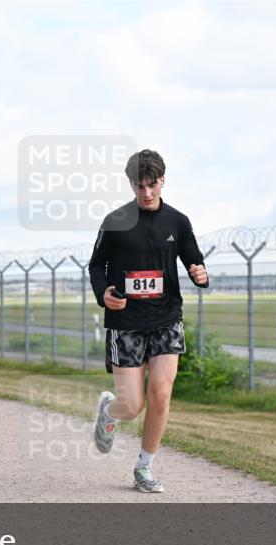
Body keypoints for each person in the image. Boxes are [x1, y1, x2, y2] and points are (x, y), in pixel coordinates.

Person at [88, 149, 208, 493]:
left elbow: (193, 260)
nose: (146, 193)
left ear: (162, 181)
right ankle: (110, 410)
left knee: (160, 392)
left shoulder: (178, 222)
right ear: (130, 185)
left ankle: (144, 466)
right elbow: (96, 266)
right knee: (132, 404)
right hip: (125, 321)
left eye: (152, 185)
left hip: (167, 318)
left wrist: (200, 274)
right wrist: (104, 294)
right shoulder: (116, 221)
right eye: (139, 187)